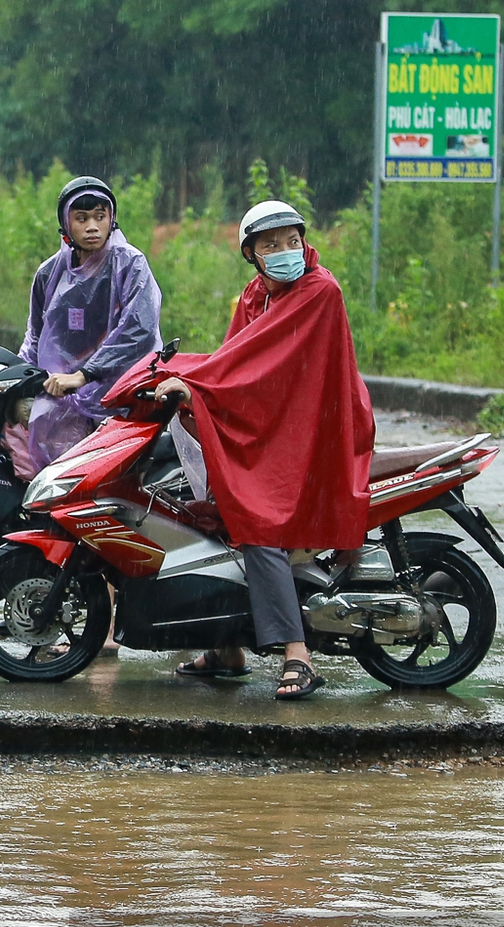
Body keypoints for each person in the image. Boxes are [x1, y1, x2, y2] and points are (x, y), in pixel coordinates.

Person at [150, 198, 375, 700]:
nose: (283, 251)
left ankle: (298, 654)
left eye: (291, 241)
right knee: (211, 512)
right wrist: (183, 376)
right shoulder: (256, 295)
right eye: (269, 245)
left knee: (257, 521)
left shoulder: (319, 291)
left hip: (316, 425)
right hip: (277, 419)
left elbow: (264, 366)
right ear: (251, 254)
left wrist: (198, 383)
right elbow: (235, 360)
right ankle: (227, 646)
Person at [12, 176, 164, 479]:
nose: (92, 226)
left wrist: (84, 376)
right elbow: (36, 336)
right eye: (81, 218)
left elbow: (138, 330)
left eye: (100, 216)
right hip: (63, 388)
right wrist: (17, 378)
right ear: (66, 224)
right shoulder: (49, 273)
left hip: (123, 388)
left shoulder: (130, 264)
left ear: (112, 219)